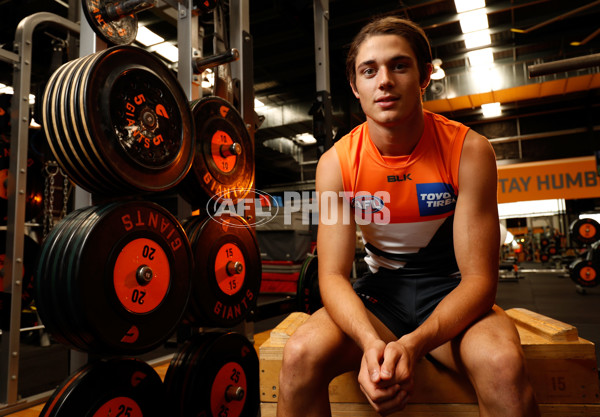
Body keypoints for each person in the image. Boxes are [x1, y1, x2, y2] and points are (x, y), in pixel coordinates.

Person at [277, 16, 540, 417]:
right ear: (355, 86)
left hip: (453, 298)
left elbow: (480, 282)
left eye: (399, 65)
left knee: (501, 365)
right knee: (299, 356)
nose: (384, 80)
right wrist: (369, 342)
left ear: (425, 76)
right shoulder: (336, 164)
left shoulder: (469, 150)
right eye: (369, 70)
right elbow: (331, 275)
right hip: (380, 298)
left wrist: (413, 344)